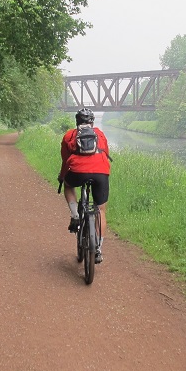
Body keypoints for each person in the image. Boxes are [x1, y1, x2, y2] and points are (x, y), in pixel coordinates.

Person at [58, 107, 111, 264]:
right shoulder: (100, 134)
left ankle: (75, 214)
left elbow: (65, 160)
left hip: (77, 172)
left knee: (68, 185)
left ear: (77, 122)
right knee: (100, 210)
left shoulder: (69, 135)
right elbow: (106, 154)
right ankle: (98, 249)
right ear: (92, 122)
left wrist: (62, 177)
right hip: (101, 173)